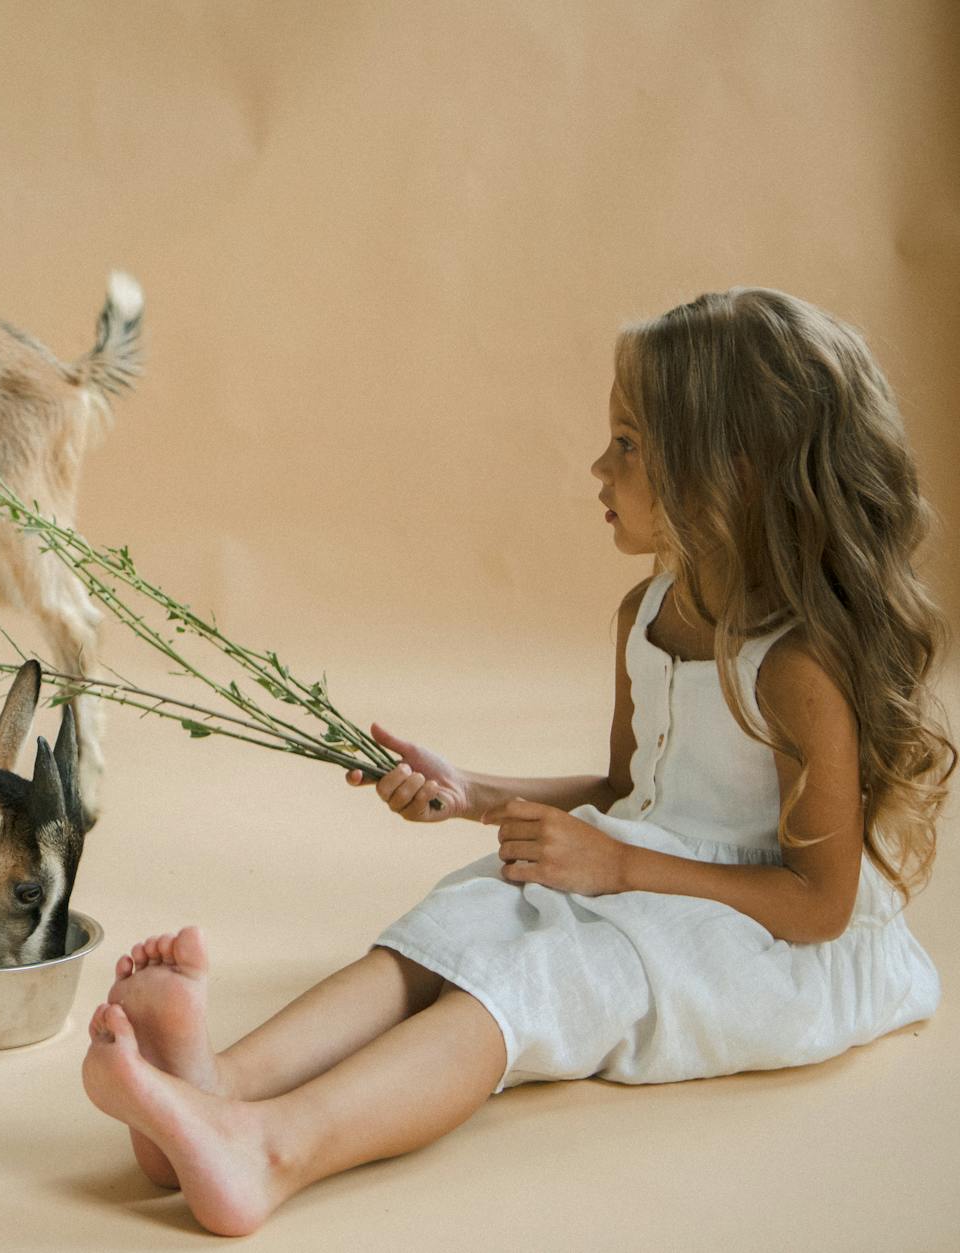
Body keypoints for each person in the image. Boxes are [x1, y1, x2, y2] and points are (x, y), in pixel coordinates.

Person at [79, 288, 951, 1237]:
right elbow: (628, 795)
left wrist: (616, 866)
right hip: (654, 880)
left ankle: (273, 1146)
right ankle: (216, 1086)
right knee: (471, 908)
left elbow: (819, 904)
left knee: (544, 976)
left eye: (627, 443)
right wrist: (474, 795)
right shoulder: (650, 612)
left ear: (726, 474)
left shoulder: (796, 664)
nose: (597, 466)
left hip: (772, 949)